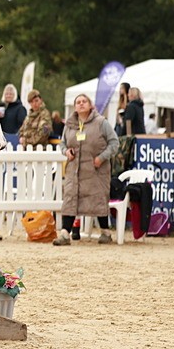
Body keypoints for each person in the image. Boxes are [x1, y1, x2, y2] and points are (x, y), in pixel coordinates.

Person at [55, 93, 120, 245]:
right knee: (70, 199)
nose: (81, 104)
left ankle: (105, 232)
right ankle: (65, 233)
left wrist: (102, 158)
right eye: (78, 102)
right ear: (75, 107)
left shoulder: (101, 122)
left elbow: (114, 143)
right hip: (74, 170)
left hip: (95, 171)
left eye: (84, 101)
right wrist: (66, 151)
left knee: (98, 199)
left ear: (91, 105)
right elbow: (62, 143)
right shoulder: (70, 124)